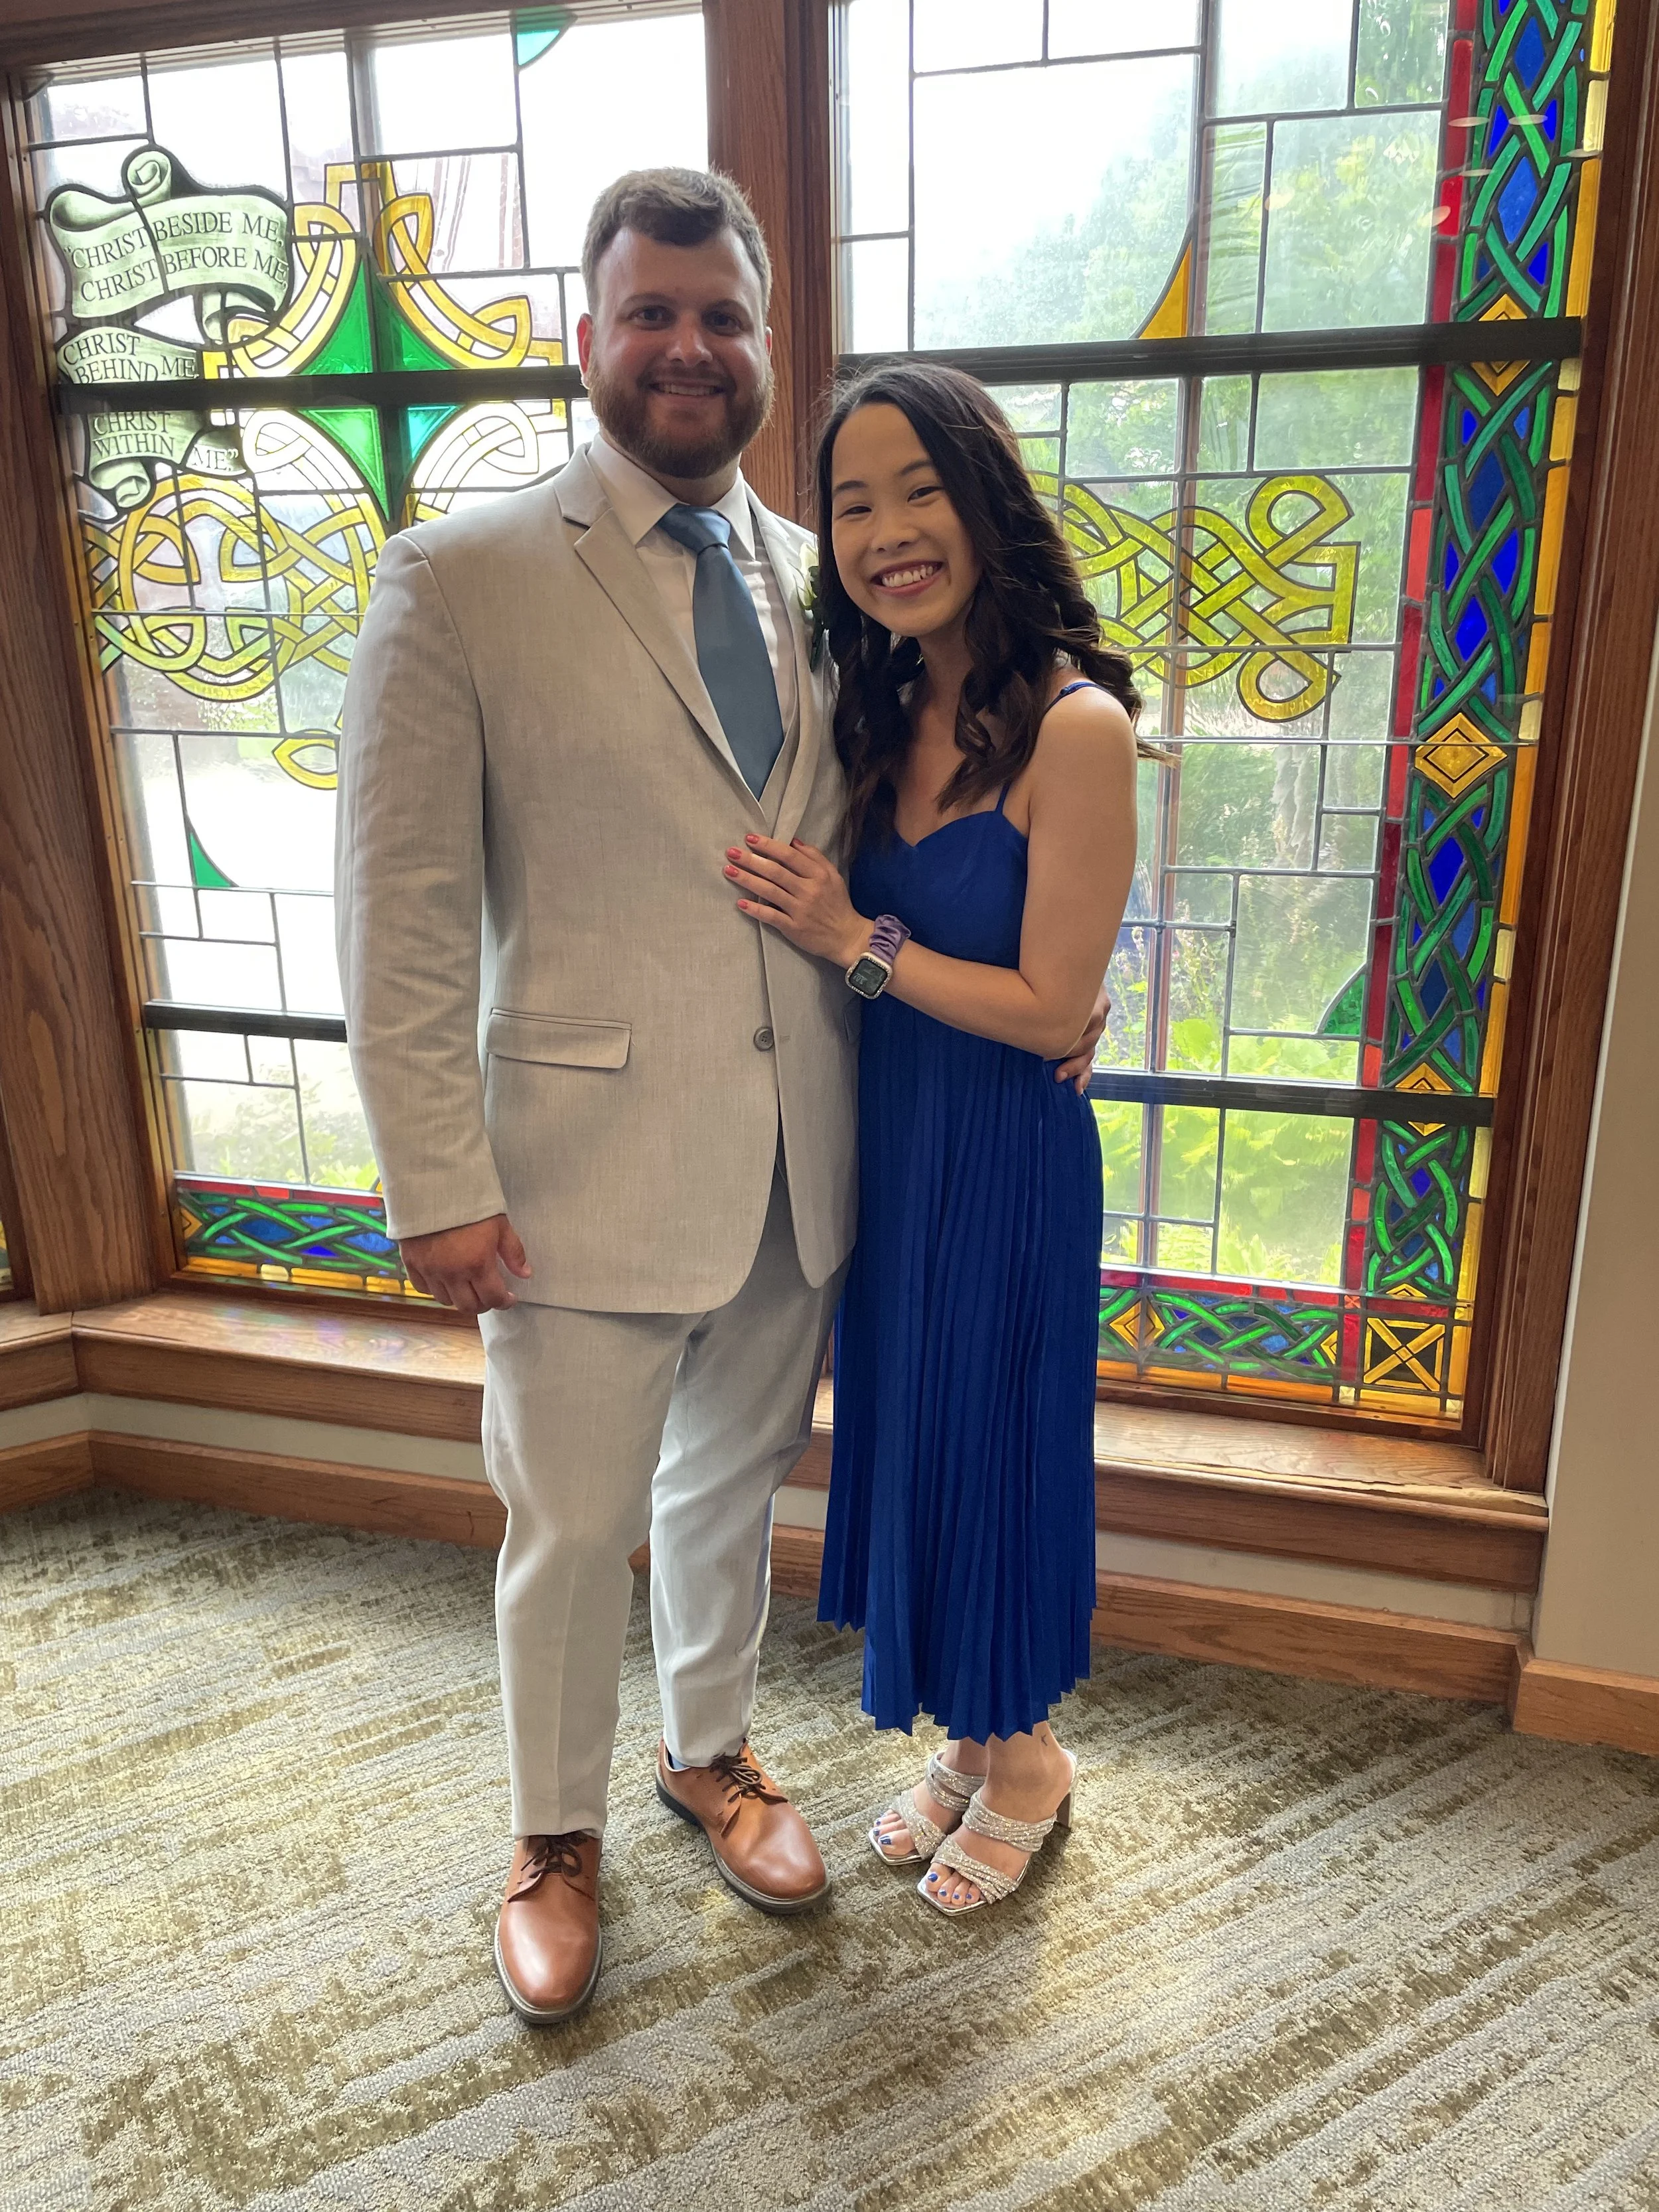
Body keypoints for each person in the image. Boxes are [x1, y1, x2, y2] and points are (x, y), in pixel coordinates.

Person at [338, 167, 1109, 2022]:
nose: (691, 345)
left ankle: (708, 1752)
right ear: (585, 332)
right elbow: (402, 909)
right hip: (574, 1171)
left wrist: (1052, 1003)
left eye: (726, 314)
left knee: (726, 1496)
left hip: (810, 1164)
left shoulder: (827, 575)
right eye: (652, 310)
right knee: (567, 1522)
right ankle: (550, 1835)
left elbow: (975, 803)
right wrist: (432, 1176)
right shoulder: (461, 577)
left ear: (769, 341)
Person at [721, 362, 1141, 1917]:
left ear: (985, 502)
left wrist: (857, 942)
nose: (888, 530)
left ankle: (1026, 1756)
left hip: (1005, 1160)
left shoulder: (1075, 730)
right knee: (911, 1440)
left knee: (993, 1445)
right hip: (890, 1150)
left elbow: (1051, 1008)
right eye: (851, 502)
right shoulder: (873, 699)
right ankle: (973, 1736)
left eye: (920, 491)